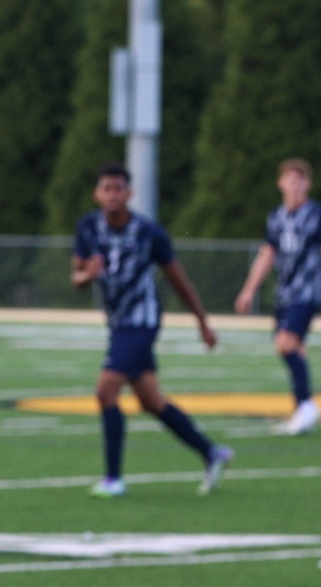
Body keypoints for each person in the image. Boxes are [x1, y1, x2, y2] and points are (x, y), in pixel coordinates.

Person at [70, 163, 231, 499]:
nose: (112, 195)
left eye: (118, 188)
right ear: (96, 194)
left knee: (105, 391)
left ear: (130, 193)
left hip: (142, 322)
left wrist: (202, 321)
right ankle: (210, 451)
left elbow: (177, 278)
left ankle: (113, 478)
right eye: (106, 188)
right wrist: (87, 275)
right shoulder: (88, 227)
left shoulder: (149, 232)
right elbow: (77, 279)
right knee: (151, 401)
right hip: (117, 325)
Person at [234, 157, 321, 435]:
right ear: (280, 183)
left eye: (300, 179)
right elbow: (267, 254)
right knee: (294, 348)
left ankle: (306, 405)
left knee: (285, 343)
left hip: (307, 291)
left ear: (308, 183)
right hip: (284, 293)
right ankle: (302, 410)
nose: (294, 185)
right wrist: (249, 289)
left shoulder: (317, 215)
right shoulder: (276, 217)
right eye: (289, 179)